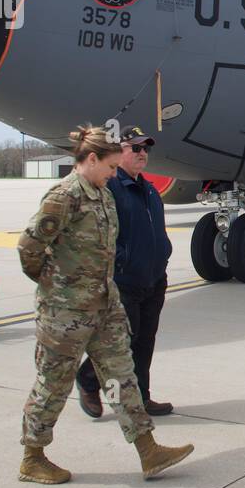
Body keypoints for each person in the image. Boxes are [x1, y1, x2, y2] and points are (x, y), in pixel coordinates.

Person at [16, 124, 194, 484]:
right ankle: (33, 456)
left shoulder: (101, 194)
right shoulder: (63, 196)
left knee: (122, 376)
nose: (114, 174)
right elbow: (28, 248)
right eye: (111, 167)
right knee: (54, 383)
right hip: (65, 313)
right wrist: (57, 288)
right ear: (92, 159)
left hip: (105, 304)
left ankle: (148, 450)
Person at [77, 126, 175, 418]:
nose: (143, 153)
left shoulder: (147, 189)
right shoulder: (110, 189)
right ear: (119, 153)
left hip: (153, 279)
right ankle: (87, 380)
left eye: (146, 148)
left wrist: (163, 257)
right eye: (136, 148)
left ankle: (142, 398)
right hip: (124, 281)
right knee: (121, 343)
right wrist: (120, 263)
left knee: (145, 341)